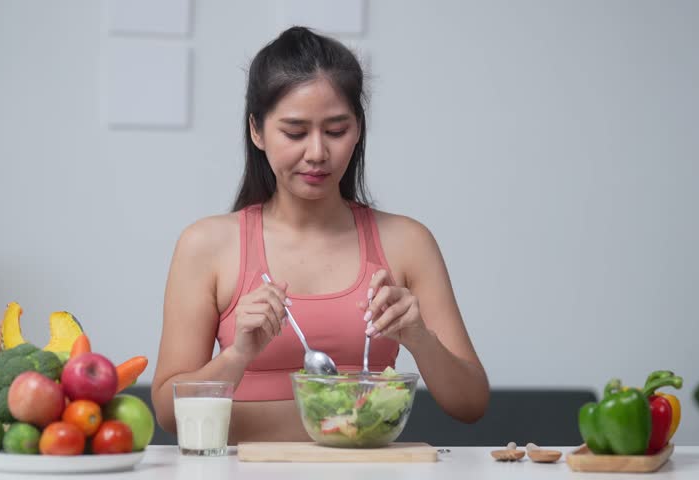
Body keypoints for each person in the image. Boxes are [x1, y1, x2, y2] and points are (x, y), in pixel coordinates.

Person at [151, 26, 489, 444]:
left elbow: (471, 404)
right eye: (294, 132)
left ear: (359, 129)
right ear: (257, 131)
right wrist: (238, 357)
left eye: (335, 130)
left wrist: (420, 338)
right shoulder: (206, 246)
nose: (317, 153)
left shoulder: (408, 242)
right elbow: (167, 412)